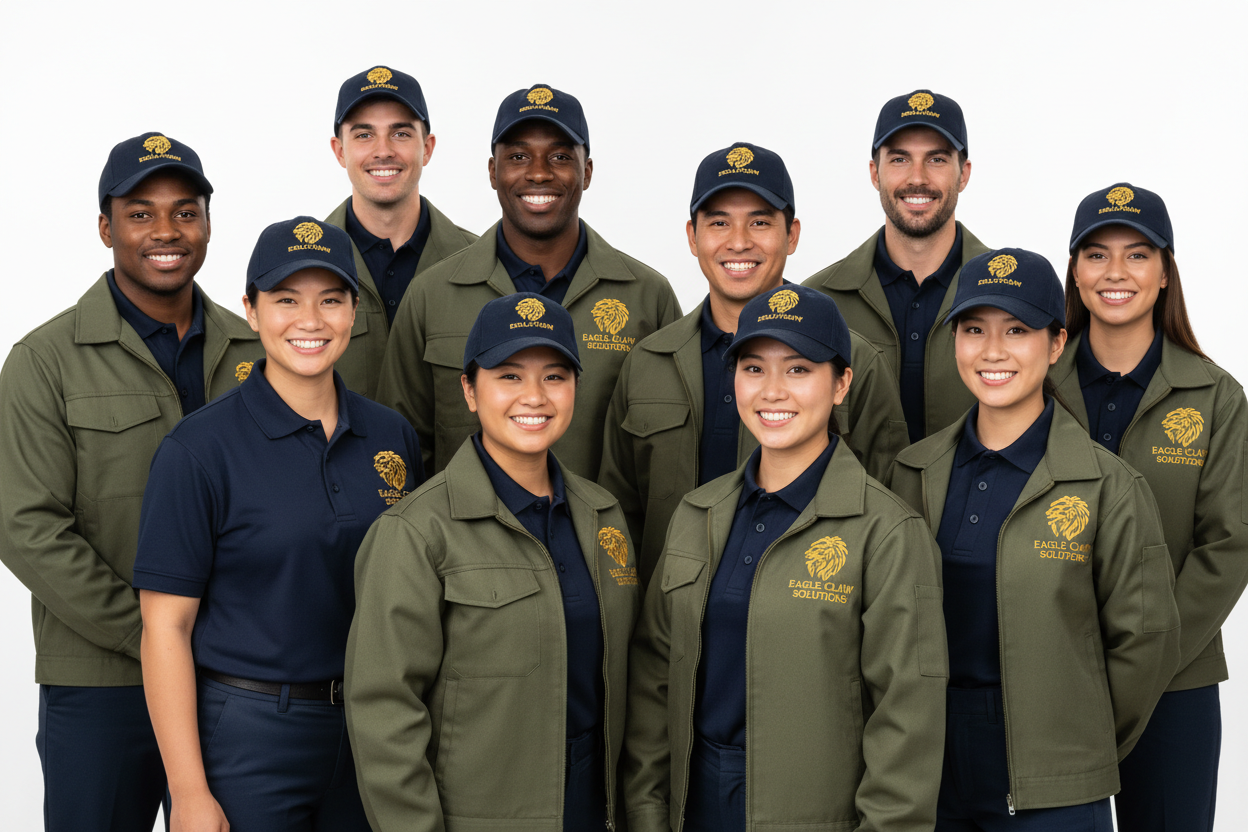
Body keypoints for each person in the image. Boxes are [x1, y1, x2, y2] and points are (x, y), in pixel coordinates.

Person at [0, 132, 261, 831]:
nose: (166, 231)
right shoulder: (44, 361)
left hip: (234, 685)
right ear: (105, 227)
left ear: (207, 222)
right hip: (99, 684)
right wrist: (153, 636)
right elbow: (27, 528)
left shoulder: (258, 352)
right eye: (141, 213)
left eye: (185, 211)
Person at [133, 217, 423, 831]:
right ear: (251, 310)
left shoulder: (391, 436)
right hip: (251, 733)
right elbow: (165, 628)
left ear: (354, 313)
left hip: (374, 729)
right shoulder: (198, 450)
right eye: (286, 300)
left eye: (330, 300)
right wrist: (187, 792)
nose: (310, 321)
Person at [623, 284, 948, 831]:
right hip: (695, 803)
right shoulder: (696, 515)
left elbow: (906, 717)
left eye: (798, 369)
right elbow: (656, 677)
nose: (772, 391)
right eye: (753, 369)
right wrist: (649, 813)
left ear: (841, 383)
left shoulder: (888, 532)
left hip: (813, 812)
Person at [888, 248, 1181, 829]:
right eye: (974, 330)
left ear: (1054, 344)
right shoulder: (913, 473)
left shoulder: (1109, 487)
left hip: (1053, 781)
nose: (992, 352)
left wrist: (1073, 744)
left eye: (1016, 331)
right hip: (929, 769)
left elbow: (1147, 641)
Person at [346, 292, 641, 831]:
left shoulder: (603, 517)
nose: (535, 397)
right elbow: (384, 712)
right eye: (508, 376)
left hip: (593, 809)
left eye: (554, 376)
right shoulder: (415, 532)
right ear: (469, 390)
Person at [599, 142, 907, 586]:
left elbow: (888, 515)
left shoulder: (853, 361)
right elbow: (618, 518)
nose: (738, 242)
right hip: (671, 625)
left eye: (760, 222)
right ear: (692, 236)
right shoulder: (648, 362)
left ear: (792, 234)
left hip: (804, 623)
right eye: (719, 222)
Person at [1048, 183, 1248, 832]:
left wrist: (1147, 658)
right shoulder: (1030, 390)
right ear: (1074, 273)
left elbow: (1228, 546)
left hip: (1176, 683)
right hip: (1054, 680)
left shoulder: (1216, 397)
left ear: (1165, 273)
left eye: (1137, 255)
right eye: (1097, 255)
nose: (1116, 273)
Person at [376, 83, 682, 478]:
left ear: (586, 173)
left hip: (603, 537)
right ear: (493, 172)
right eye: (519, 156)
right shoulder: (431, 295)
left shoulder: (648, 299)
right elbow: (399, 449)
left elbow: (667, 456)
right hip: (462, 539)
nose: (539, 173)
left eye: (559, 156)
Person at [803, 89, 990, 443]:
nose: (917, 178)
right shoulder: (817, 301)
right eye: (900, 159)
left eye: (936, 159)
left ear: (963, 174)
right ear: (875, 173)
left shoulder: (1013, 295)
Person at [325, 65, 478, 399]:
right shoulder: (299, 267)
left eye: (401, 133)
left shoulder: (483, 266)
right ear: (340, 151)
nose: (383, 151)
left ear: (427, 148)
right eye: (364, 135)